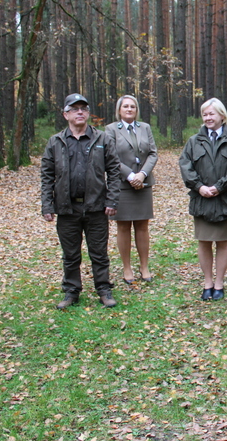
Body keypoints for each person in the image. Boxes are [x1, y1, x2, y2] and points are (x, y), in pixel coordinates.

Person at [41, 93, 121, 309]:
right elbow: (47, 175)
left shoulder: (102, 139)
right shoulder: (56, 141)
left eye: (83, 109)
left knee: (99, 252)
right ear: (65, 114)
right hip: (67, 208)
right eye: (74, 109)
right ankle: (71, 291)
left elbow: (114, 170)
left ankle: (104, 289)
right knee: (70, 254)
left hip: (96, 206)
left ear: (88, 113)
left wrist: (112, 200)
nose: (79, 112)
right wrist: (47, 205)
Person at [179, 98, 227, 301]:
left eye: (211, 114)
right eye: (205, 114)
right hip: (202, 199)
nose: (208, 118)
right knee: (204, 241)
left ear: (222, 116)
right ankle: (207, 283)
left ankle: (219, 283)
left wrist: (219, 187)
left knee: (223, 242)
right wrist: (200, 187)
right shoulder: (193, 141)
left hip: (225, 199)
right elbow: (185, 165)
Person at [105, 95, 158, 284]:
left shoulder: (145, 127)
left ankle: (144, 266)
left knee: (143, 226)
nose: (129, 109)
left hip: (143, 183)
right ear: (119, 110)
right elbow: (110, 156)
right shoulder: (111, 129)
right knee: (123, 226)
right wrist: (130, 176)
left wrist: (142, 174)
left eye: (133, 106)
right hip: (122, 184)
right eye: (125, 106)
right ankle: (127, 268)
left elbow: (152, 153)